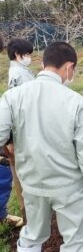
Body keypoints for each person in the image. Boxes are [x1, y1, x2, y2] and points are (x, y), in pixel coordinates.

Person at [0, 41, 83, 252]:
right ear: (69, 67)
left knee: (32, 235)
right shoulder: (76, 102)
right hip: (67, 187)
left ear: (43, 64)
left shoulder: (12, 97)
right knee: (74, 241)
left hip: (32, 183)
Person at [0, 38, 34, 227]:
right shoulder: (18, 75)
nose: (29, 58)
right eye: (27, 55)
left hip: (14, 130)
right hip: (19, 129)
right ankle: (26, 211)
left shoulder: (20, 71)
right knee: (10, 172)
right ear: (17, 55)